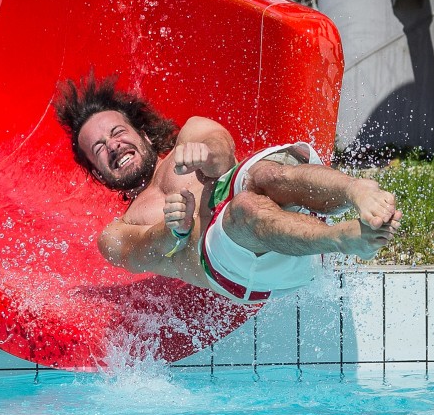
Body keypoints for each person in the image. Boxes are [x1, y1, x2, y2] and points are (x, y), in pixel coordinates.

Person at [54, 74, 402, 304]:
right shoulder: (117, 231)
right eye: (99, 148)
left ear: (143, 135)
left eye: (117, 133)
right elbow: (141, 252)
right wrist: (174, 230)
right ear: (99, 175)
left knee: (264, 173)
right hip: (236, 267)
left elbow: (222, 153)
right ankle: (346, 238)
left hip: (289, 215)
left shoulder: (190, 135)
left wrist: (205, 153)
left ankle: (357, 190)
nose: (112, 146)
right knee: (243, 210)